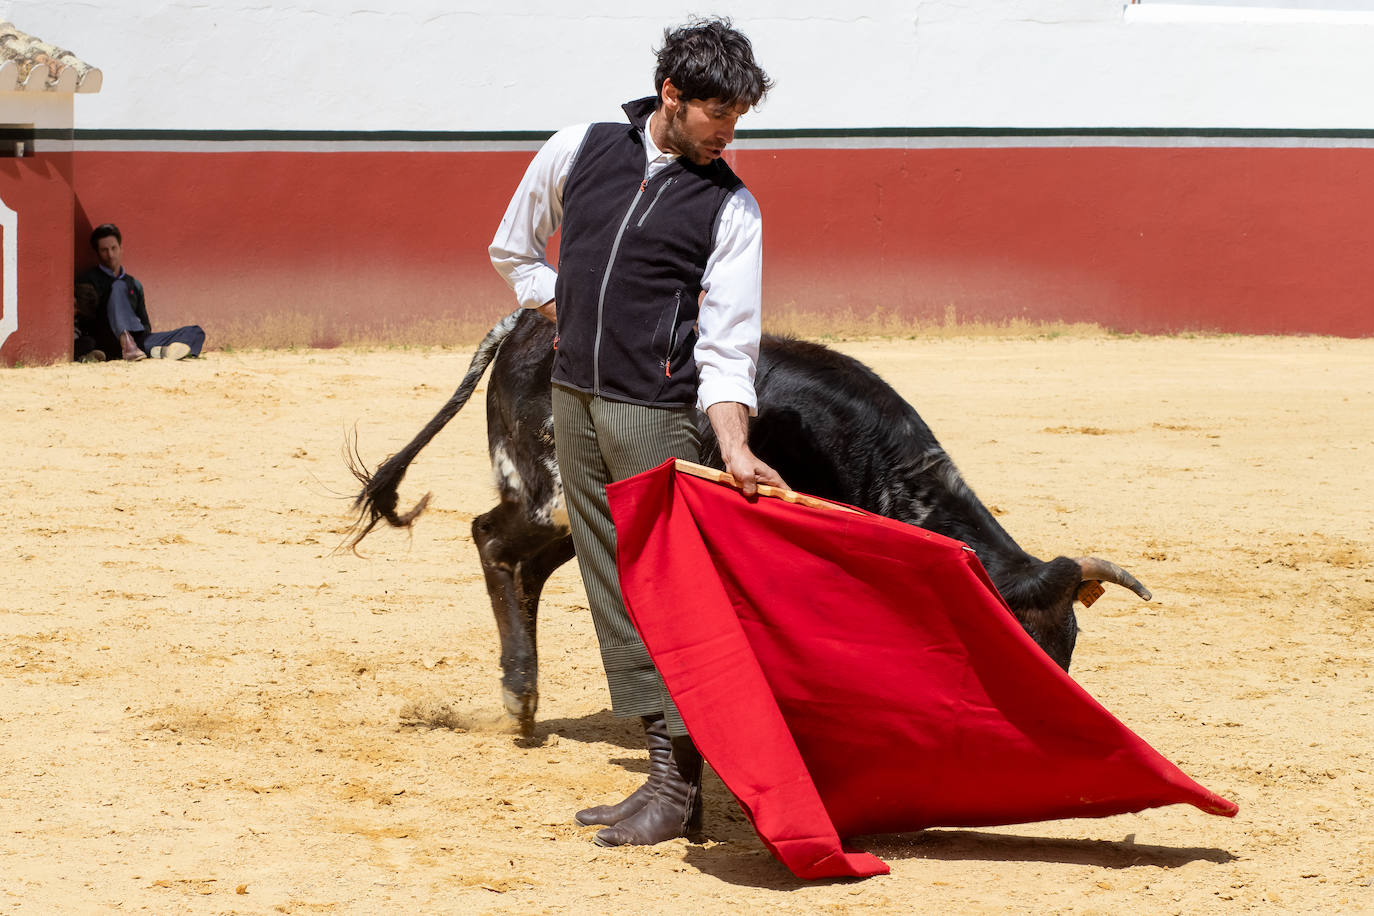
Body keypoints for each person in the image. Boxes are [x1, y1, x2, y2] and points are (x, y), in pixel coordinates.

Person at [489, 17, 785, 849]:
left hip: (653, 414)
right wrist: (561, 306)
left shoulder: (731, 205)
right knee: (609, 582)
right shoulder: (578, 148)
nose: (728, 134)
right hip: (572, 398)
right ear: (671, 97)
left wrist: (731, 445)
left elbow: (729, 346)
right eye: (717, 116)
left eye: (737, 119)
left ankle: (680, 782)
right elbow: (513, 250)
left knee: (670, 590)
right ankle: (665, 775)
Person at [74, 223, 206, 362]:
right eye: (104, 250)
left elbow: (145, 323)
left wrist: (142, 338)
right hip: (105, 338)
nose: (110, 255)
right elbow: (85, 321)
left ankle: (159, 350)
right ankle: (140, 347)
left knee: (195, 331)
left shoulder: (134, 284)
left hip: (136, 341)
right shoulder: (88, 279)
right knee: (118, 286)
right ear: (97, 253)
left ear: (121, 248)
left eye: (114, 248)